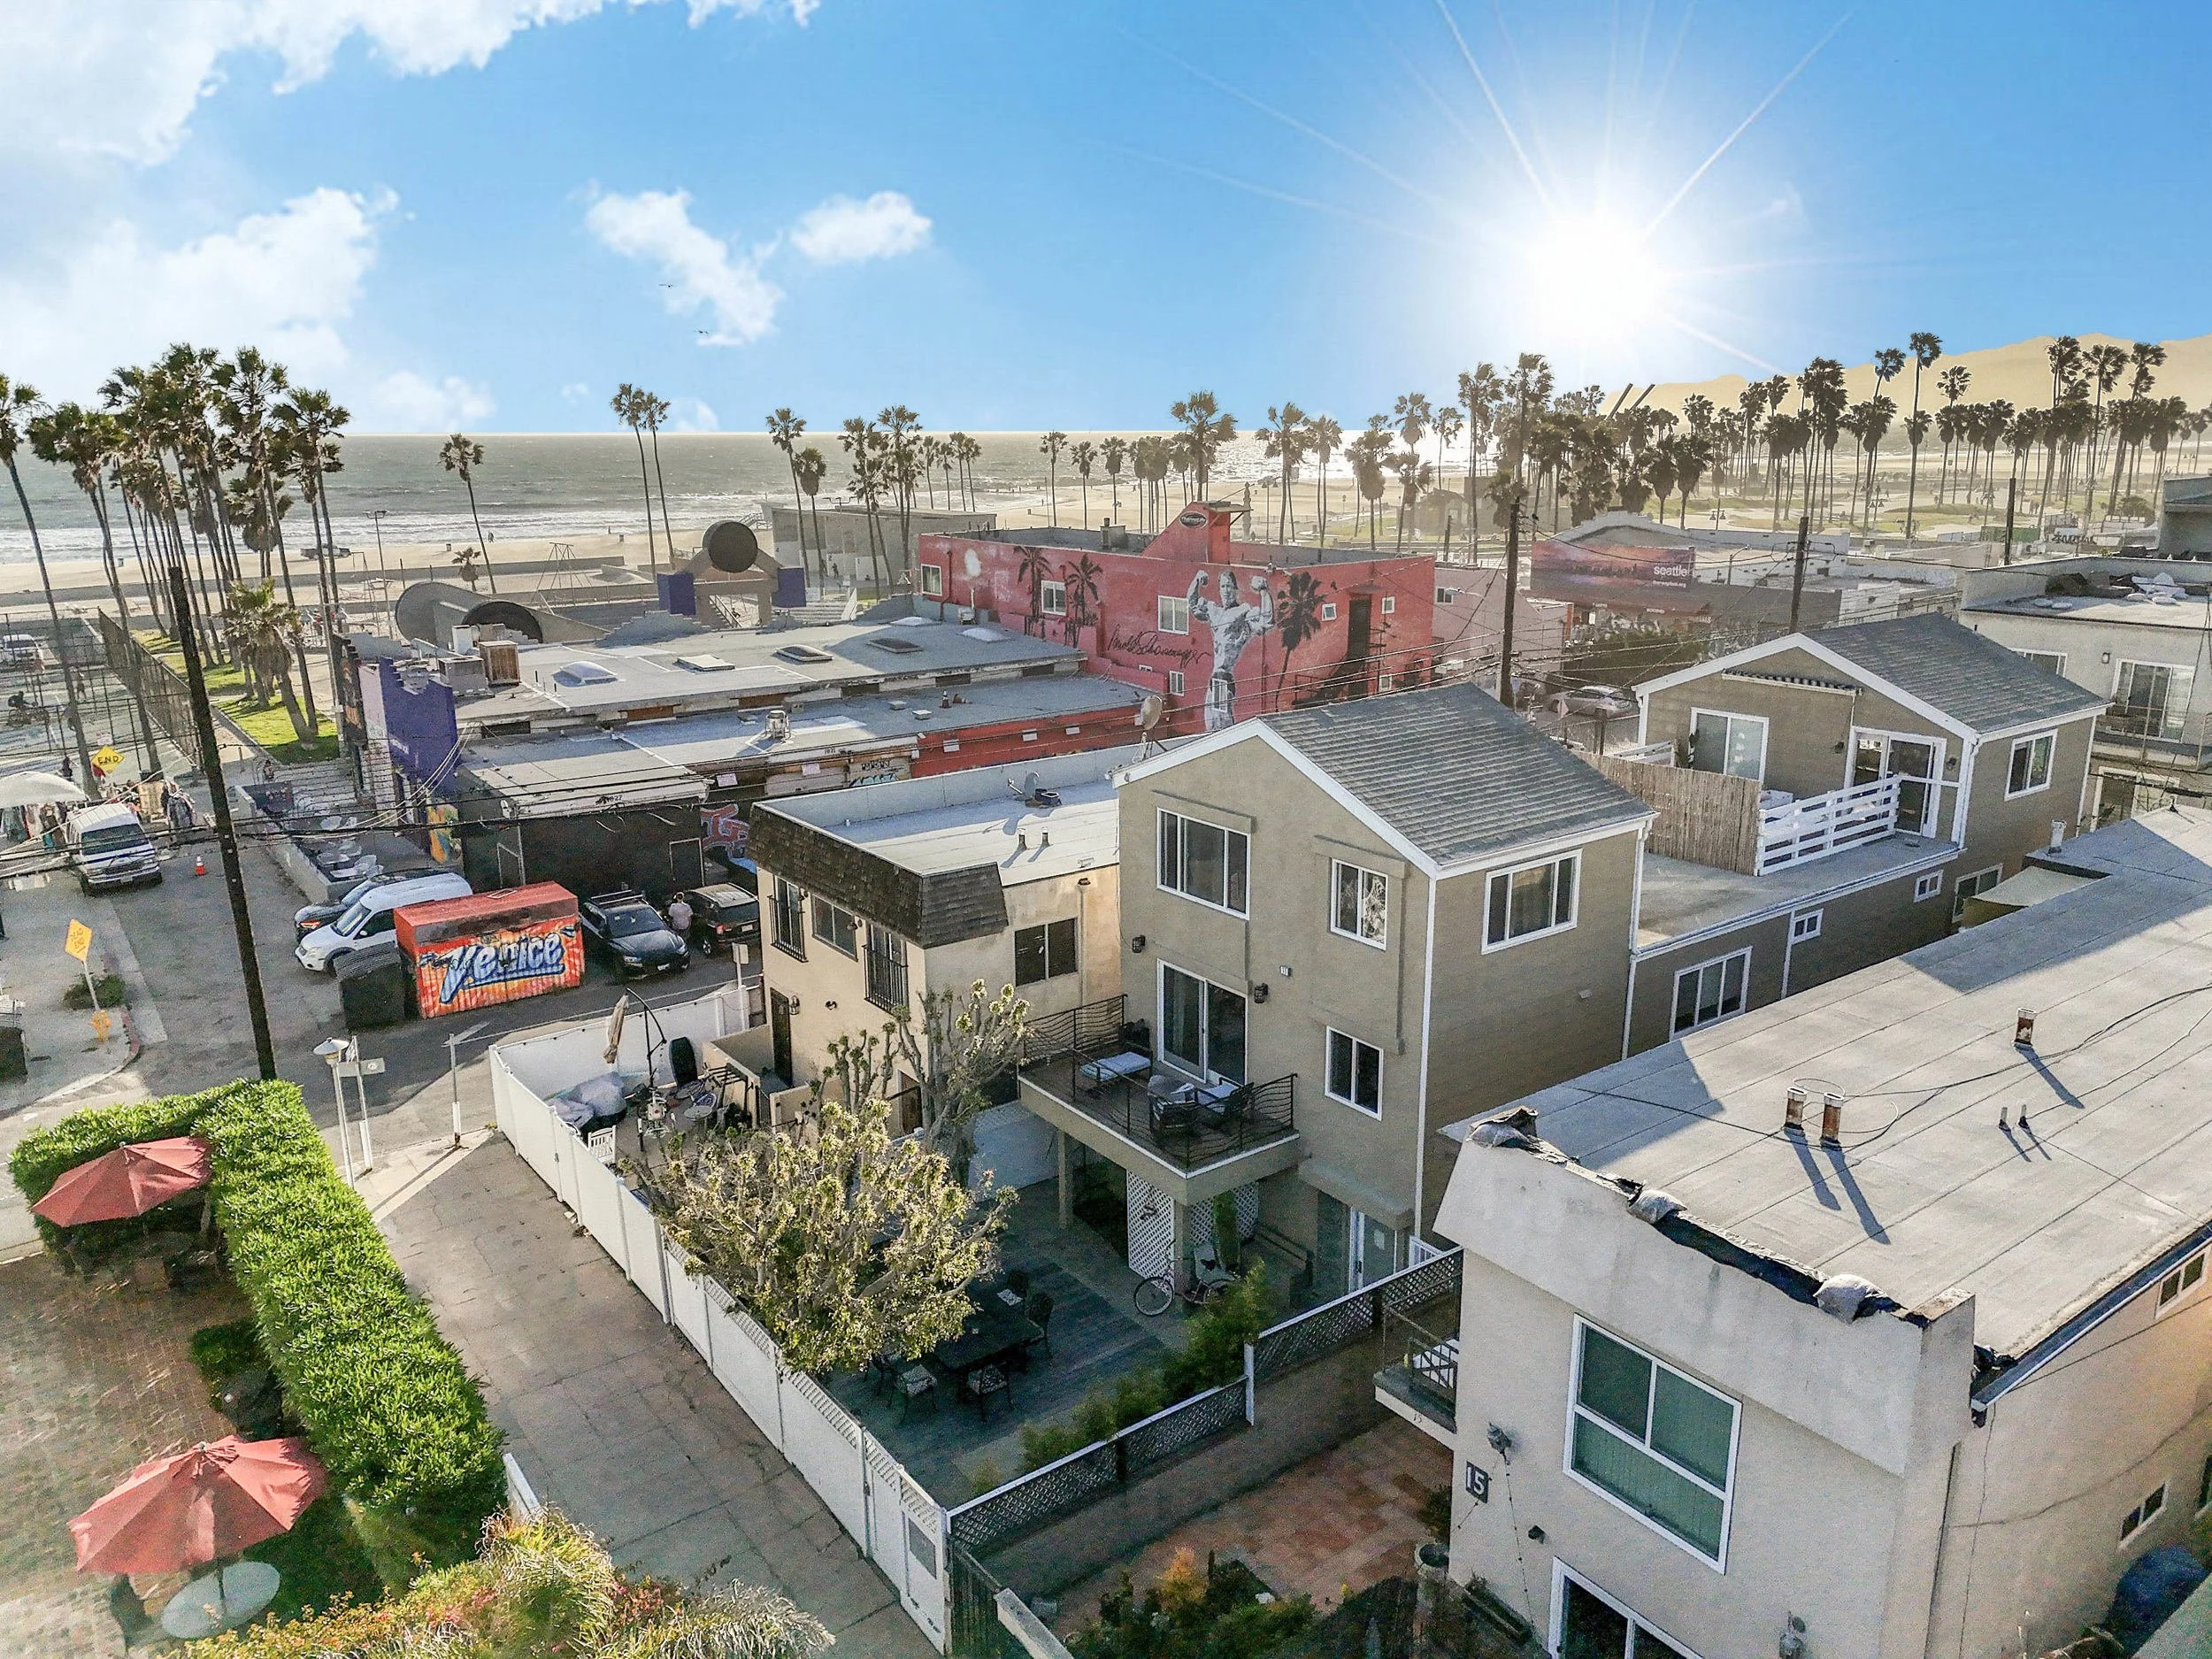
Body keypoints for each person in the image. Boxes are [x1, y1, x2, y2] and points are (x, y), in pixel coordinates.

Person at [1187, 568, 1278, 733]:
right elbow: (1193, 604)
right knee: (1211, 726)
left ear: (1236, 589)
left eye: (1229, 586)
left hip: (1224, 678)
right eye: (1222, 586)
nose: (1226, 591)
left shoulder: (1243, 612)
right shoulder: (1215, 611)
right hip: (1215, 679)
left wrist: (1264, 592)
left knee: (1222, 728)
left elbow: (1266, 621)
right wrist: (1197, 581)